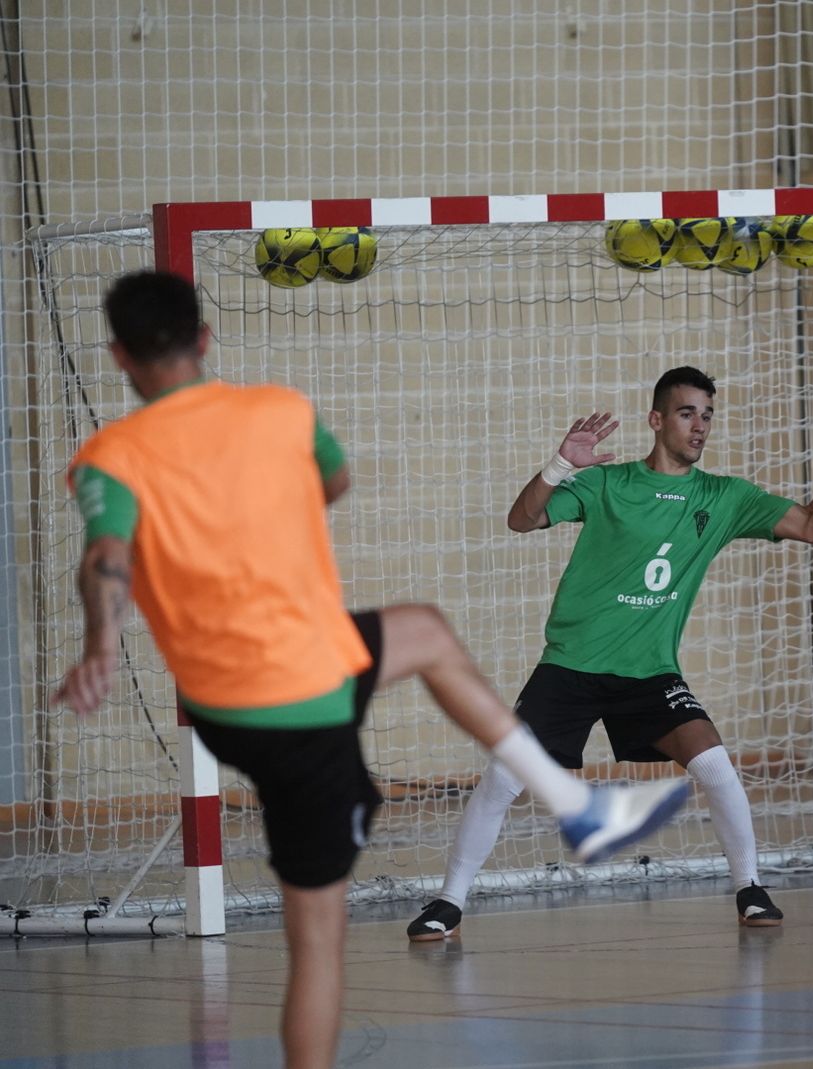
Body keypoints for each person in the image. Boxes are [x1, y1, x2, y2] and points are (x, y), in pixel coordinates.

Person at [54, 270, 689, 1069]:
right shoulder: (280, 411)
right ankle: (576, 807)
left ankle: (573, 802)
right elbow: (334, 480)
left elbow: (107, 559)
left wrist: (99, 648)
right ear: (205, 339)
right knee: (317, 943)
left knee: (422, 631)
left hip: (221, 701)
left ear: (118, 355)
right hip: (301, 698)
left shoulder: (107, 458)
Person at [405, 366, 813, 940]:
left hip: (650, 674)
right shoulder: (608, 483)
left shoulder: (724, 497)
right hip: (570, 666)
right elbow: (522, 519)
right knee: (503, 778)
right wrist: (560, 465)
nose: (700, 426)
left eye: (707, 415)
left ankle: (749, 888)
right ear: (657, 420)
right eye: (687, 413)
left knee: (715, 765)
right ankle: (449, 901)